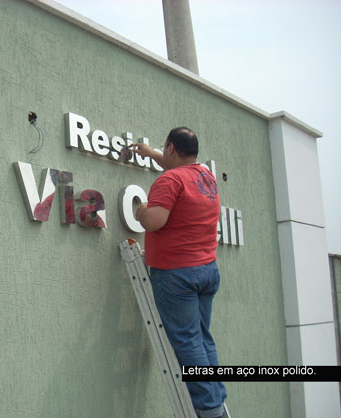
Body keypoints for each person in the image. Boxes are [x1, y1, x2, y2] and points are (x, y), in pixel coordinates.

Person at [132, 127, 228, 418]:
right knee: (202, 339)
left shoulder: (169, 180)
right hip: (206, 270)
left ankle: (209, 409)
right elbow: (177, 169)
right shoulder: (204, 178)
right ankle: (216, 399)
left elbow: (155, 221)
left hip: (177, 275)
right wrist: (151, 155)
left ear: (172, 148)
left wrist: (140, 211)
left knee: (187, 343)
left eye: (164, 149)